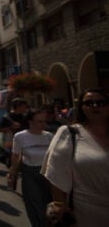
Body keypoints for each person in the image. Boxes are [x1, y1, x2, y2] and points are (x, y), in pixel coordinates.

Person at [41, 88, 109, 226]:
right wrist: (59, 203)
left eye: (100, 102)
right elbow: (56, 171)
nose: (95, 106)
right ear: (82, 107)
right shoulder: (69, 133)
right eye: (89, 103)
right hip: (86, 210)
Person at [7, 109, 53, 227]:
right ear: (30, 121)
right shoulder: (20, 136)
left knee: (50, 204)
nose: (43, 124)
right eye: (39, 121)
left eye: (44, 121)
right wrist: (12, 174)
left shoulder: (49, 136)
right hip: (30, 174)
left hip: (48, 174)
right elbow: (16, 156)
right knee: (36, 205)